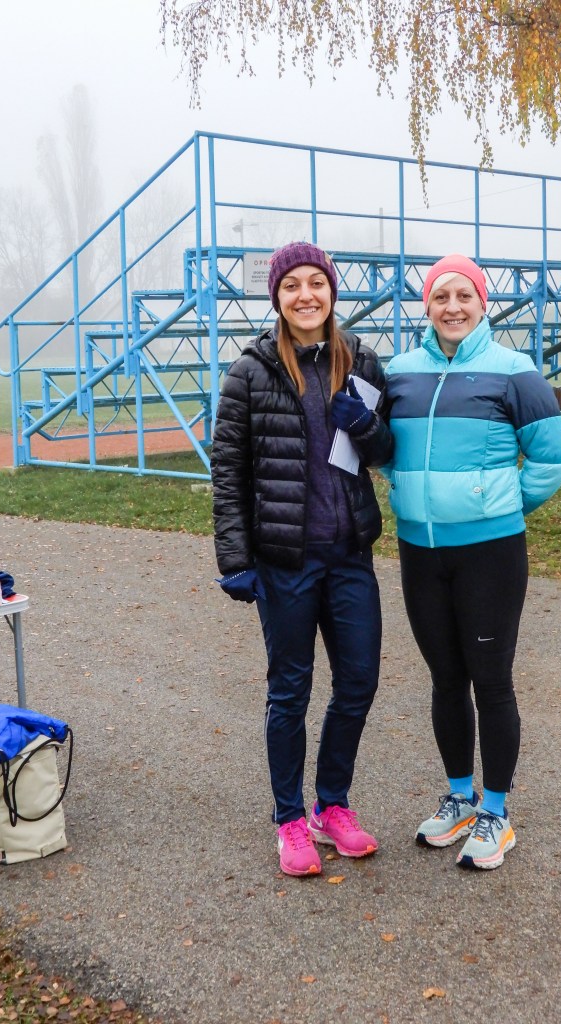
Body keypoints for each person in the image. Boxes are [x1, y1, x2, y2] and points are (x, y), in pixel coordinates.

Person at [211, 241, 393, 877]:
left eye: (316, 282)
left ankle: (331, 806)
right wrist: (235, 559)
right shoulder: (250, 372)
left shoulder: (361, 361)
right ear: (278, 297)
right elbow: (228, 470)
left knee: (359, 682)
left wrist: (364, 425)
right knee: (290, 691)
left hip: (349, 557)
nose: (305, 295)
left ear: (332, 292)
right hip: (285, 561)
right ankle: (289, 818)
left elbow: (383, 451)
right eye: (292, 285)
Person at [383, 254, 561, 870]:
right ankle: (460, 798)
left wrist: (497, 504)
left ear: (482, 303)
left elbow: (551, 460)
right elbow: (383, 450)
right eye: (441, 296)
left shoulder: (516, 372)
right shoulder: (400, 373)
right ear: (426, 306)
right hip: (420, 549)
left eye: (464, 295)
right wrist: (402, 486)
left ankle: (496, 811)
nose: (453, 307)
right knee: (445, 679)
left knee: (490, 680)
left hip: (490, 552)